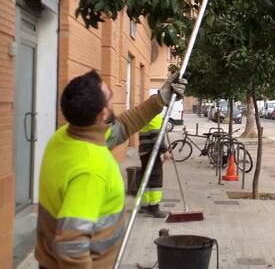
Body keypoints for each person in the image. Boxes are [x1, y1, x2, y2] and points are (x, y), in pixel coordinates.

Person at [35, 70, 187, 269]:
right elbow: (71, 247)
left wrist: (160, 100)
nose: (113, 97)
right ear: (103, 115)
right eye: (109, 96)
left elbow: (123, 126)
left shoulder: (66, 136)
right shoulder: (90, 170)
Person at [138, 111, 171, 218]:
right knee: (155, 178)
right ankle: (154, 207)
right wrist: (165, 150)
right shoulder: (154, 116)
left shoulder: (146, 115)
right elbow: (156, 136)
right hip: (151, 152)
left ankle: (144, 206)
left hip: (144, 152)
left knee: (146, 178)